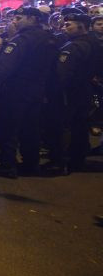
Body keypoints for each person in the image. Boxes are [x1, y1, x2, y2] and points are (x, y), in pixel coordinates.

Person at [0, 7, 58, 178]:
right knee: (30, 129)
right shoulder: (49, 38)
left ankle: (7, 166)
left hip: (16, 91)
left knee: (8, 129)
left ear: (32, 19)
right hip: (37, 91)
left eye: (19, 18)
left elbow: (4, 68)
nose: (14, 21)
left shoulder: (21, 40)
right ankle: (31, 165)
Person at [45, 13, 102, 174]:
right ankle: (77, 160)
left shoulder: (75, 46)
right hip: (85, 90)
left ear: (81, 26)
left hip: (69, 94)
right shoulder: (94, 42)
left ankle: (60, 162)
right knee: (80, 127)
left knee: (63, 127)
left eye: (69, 25)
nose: (65, 27)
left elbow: (62, 74)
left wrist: (52, 92)